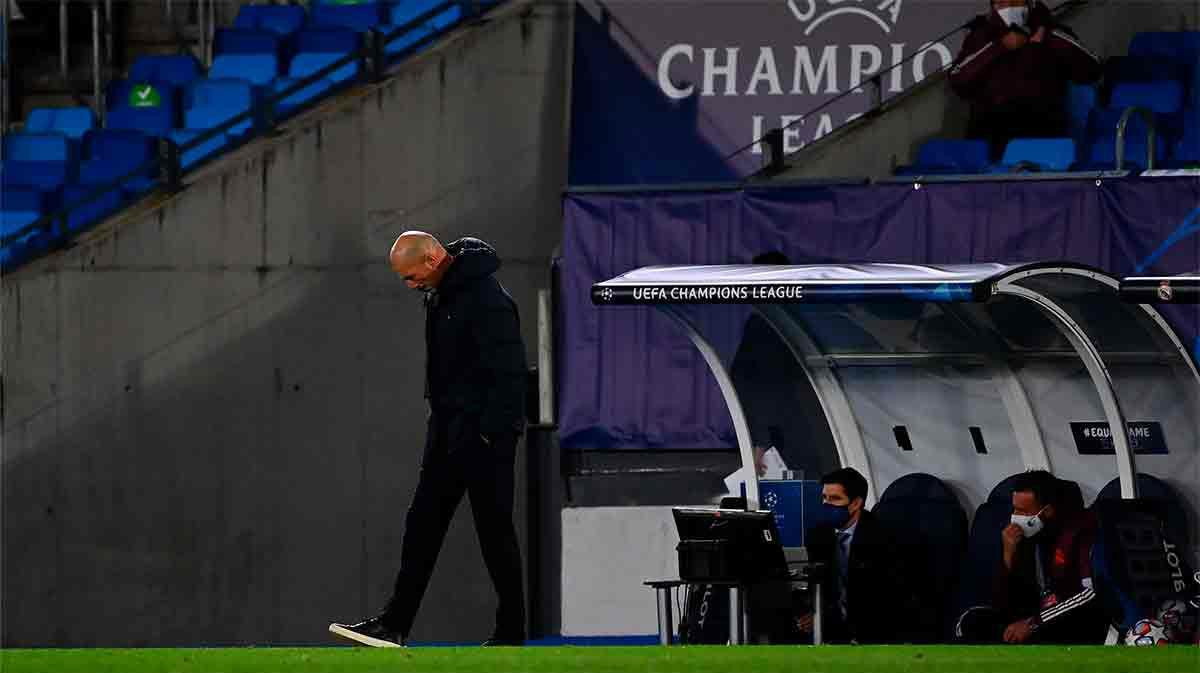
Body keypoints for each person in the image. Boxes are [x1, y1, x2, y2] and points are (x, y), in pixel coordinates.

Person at [330, 232, 528, 647]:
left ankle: (511, 632)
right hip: (446, 432)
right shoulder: (441, 293)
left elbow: (510, 373)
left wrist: (493, 434)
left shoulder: (486, 299)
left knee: (495, 534)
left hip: (484, 437)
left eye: (411, 275)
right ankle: (394, 625)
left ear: (435, 257)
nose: (410, 285)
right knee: (421, 525)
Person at [961, 470, 1105, 644]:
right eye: (1015, 509)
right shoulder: (1025, 536)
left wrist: (1033, 623)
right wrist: (1008, 554)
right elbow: (1001, 601)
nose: (1016, 517)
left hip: (1069, 617)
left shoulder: (1081, 531)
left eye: (1023, 511)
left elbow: (1089, 593)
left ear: (1047, 510)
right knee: (973, 621)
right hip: (1035, 613)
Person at [948, 0, 1101, 158]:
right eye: (1000, 3)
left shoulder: (1052, 32)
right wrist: (999, 46)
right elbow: (957, 80)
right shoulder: (981, 35)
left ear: (1029, 3)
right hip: (989, 136)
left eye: (1015, 2)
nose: (1007, 8)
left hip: (1042, 135)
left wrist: (1046, 35)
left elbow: (1092, 69)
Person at [797, 467, 916, 644]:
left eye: (835, 498)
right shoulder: (818, 535)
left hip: (877, 628)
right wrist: (815, 614)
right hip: (833, 627)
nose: (827, 504)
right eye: (824, 498)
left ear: (855, 503)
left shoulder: (884, 536)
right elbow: (823, 585)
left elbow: (889, 595)